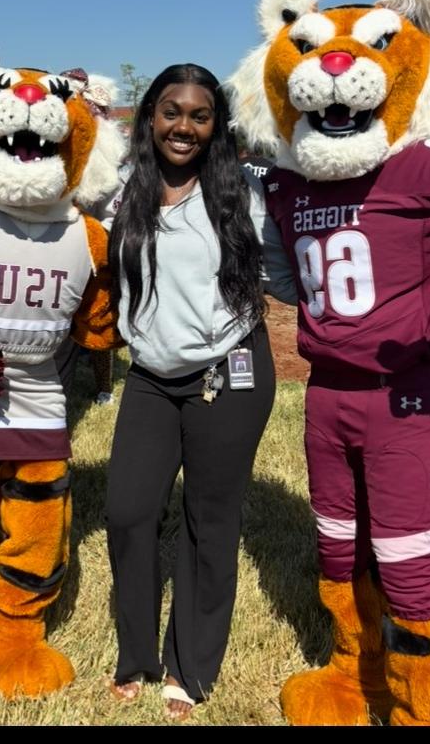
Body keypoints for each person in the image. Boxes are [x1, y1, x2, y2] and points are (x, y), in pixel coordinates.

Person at [105, 64, 295, 719]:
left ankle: (189, 662)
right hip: (150, 377)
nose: (182, 125)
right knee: (128, 511)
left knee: (208, 521)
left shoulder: (245, 190)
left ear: (217, 126)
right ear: (149, 116)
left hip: (229, 372)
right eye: (169, 110)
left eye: (198, 114)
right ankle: (135, 652)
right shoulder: (122, 189)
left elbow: (290, 268)